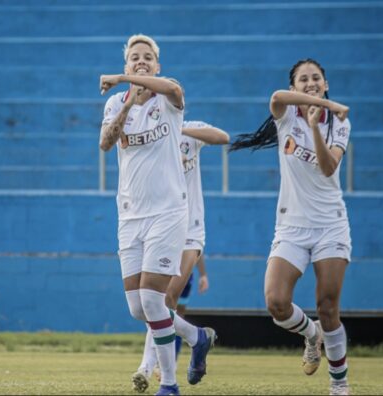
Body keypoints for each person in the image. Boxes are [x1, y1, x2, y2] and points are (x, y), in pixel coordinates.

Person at [99, 34, 217, 396]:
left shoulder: (169, 98)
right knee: (138, 309)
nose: (141, 61)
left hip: (168, 213)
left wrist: (125, 81)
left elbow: (172, 88)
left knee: (154, 301)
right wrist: (124, 103)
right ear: (126, 63)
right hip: (130, 215)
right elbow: (106, 142)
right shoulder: (116, 103)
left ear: (157, 65)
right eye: (134, 58)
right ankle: (196, 336)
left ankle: (168, 384)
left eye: (147, 57)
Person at [230, 59, 352, 396]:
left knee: (328, 306)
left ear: (325, 83)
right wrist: (325, 105)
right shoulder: (284, 113)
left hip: (330, 225)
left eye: (316, 78)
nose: (311, 82)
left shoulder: (339, 123)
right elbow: (275, 96)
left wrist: (316, 124)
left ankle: (339, 384)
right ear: (295, 87)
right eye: (304, 79)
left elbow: (328, 168)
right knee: (276, 302)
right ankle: (311, 335)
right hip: (291, 226)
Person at [132, 120, 229, 393]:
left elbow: (222, 136)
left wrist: (179, 129)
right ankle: (197, 339)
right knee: (153, 302)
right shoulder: (146, 135)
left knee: (167, 299)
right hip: (160, 226)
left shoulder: (189, 128)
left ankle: (149, 368)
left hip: (190, 229)